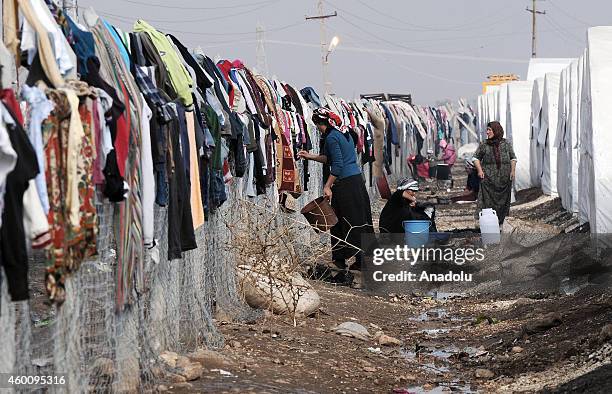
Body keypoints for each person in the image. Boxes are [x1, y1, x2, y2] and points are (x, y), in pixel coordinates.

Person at [298, 108, 373, 271]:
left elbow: (337, 165)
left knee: (343, 221)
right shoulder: (344, 133)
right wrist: (310, 156)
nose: (317, 128)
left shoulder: (331, 138)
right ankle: (353, 259)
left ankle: (347, 260)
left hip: (346, 184)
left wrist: (327, 186)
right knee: (356, 220)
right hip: (355, 182)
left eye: (317, 124)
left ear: (320, 123)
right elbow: (331, 158)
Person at [473, 121, 517, 225]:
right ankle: (489, 223)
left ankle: (501, 222)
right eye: (487, 130)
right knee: (488, 202)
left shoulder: (506, 144)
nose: (487, 132)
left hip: (504, 180)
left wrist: (513, 171)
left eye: (489, 130)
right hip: (488, 180)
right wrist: (479, 170)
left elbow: (513, 158)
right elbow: (475, 158)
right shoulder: (484, 144)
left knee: (504, 202)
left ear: (496, 131)